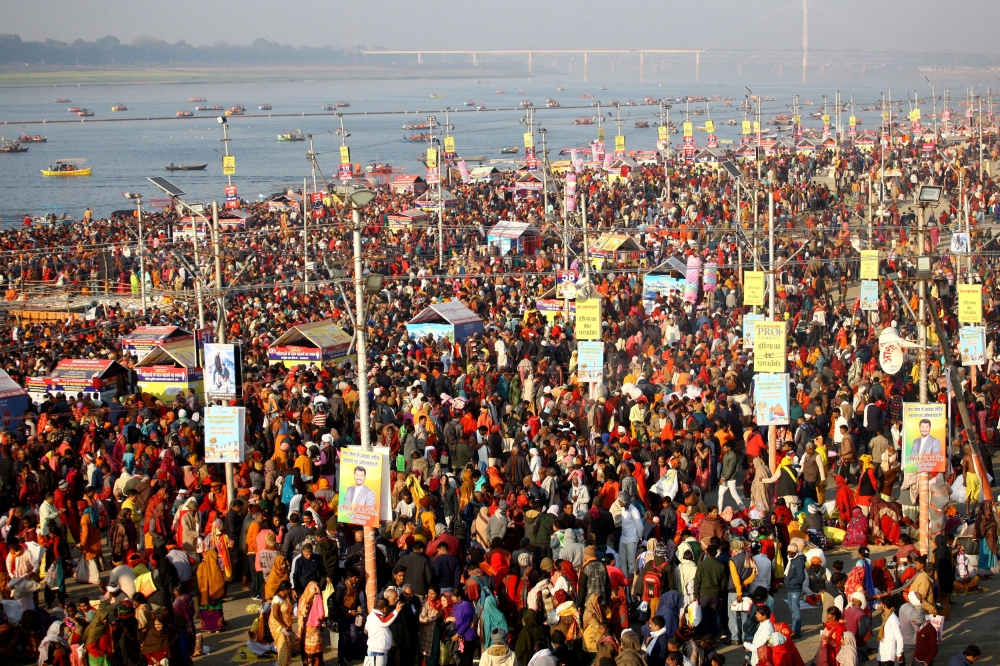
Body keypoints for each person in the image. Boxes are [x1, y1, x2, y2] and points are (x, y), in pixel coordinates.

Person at [365, 596, 405, 666]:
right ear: (385, 608)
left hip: (379, 652)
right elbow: (384, 622)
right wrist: (396, 611)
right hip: (376, 652)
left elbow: (366, 629)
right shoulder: (375, 616)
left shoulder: (372, 616)